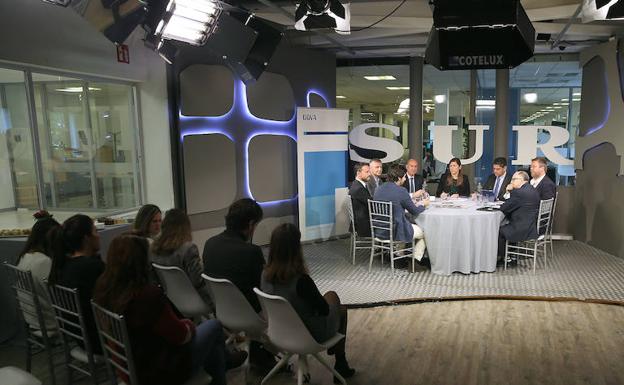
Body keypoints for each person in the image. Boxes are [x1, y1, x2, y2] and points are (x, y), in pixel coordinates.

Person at [94, 234, 244, 385]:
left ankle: (224, 366)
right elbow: (181, 336)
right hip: (160, 371)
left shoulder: (104, 289)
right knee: (214, 326)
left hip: (127, 367)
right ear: (140, 262)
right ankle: (226, 365)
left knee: (214, 346)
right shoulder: (147, 296)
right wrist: (189, 324)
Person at [261, 223, 355, 381]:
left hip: (278, 332)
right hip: (309, 335)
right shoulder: (301, 281)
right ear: (296, 249)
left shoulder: (265, 274)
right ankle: (340, 363)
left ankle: (339, 359)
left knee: (331, 300)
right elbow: (324, 310)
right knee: (336, 302)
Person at [202, 198, 273, 368]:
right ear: (250, 224)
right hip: (252, 319)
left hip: (223, 314)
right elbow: (262, 290)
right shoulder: (252, 252)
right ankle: (262, 357)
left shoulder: (210, 244)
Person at [48, 214, 104, 353]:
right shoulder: (92, 267)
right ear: (86, 238)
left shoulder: (62, 266)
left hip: (80, 338)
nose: (99, 235)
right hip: (100, 340)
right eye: (96, 231)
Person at [150, 209, 214, 314]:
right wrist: (215, 305)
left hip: (170, 303)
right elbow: (198, 282)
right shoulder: (188, 249)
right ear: (186, 227)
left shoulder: (154, 249)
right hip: (196, 303)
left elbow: (154, 280)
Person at [374, 164, 429, 264]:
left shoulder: (378, 189)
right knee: (426, 232)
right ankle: (416, 258)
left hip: (379, 230)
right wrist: (424, 205)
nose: (405, 179)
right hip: (395, 231)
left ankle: (399, 256)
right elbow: (414, 211)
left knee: (403, 222)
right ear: (399, 178)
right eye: (404, 177)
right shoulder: (401, 191)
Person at [16, 215, 61, 332]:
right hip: (50, 322)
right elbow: (58, 297)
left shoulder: (25, 256)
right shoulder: (44, 262)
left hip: (33, 318)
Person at [497, 171, 541, 264]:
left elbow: (505, 207)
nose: (511, 181)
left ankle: (505, 258)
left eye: (513, 179)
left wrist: (508, 191)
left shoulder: (518, 192)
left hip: (521, 228)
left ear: (521, 180)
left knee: (499, 230)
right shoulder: (532, 189)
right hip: (531, 226)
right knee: (507, 226)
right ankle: (512, 255)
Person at [348, 163, 372, 237]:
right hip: (363, 225)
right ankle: (386, 247)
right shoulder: (359, 189)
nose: (370, 174)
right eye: (367, 172)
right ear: (358, 173)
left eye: (369, 171)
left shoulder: (356, 185)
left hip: (361, 222)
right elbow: (371, 204)